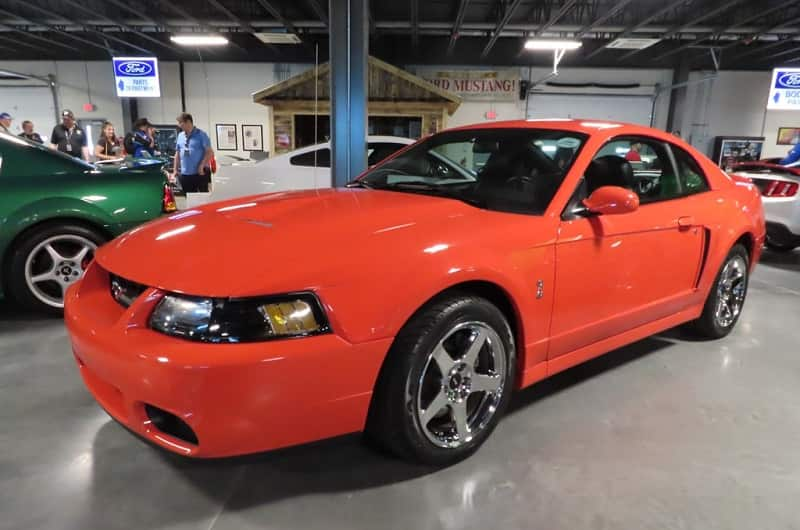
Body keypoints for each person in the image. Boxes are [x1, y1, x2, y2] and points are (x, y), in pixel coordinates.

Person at [173, 112, 213, 193]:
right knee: (189, 198)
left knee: (203, 198)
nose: (179, 125)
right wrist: (175, 170)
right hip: (185, 174)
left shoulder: (201, 135)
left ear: (188, 122)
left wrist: (202, 165)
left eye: (181, 123)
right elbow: (177, 154)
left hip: (199, 173)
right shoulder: (180, 135)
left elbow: (209, 152)